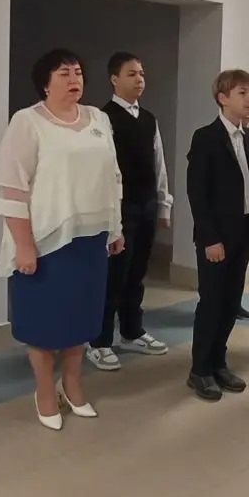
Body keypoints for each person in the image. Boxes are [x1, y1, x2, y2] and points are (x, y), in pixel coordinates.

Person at [0, 50, 125, 431]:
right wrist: (23, 245)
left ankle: (72, 384)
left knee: (81, 319)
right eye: (64, 73)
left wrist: (116, 228)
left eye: (78, 72)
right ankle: (44, 391)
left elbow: (113, 177)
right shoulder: (27, 122)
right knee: (43, 322)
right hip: (46, 242)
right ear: (45, 83)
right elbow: (12, 189)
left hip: (90, 239)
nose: (74, 79)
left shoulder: (99, 119)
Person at [185, 70, 249, 401]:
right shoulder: (205, 137)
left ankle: (218, 362)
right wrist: (210, 239)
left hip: (243, 233)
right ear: (222, 98)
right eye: (242, 93)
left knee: (231, 302)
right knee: (212, 302)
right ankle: (200, 369)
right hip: (216, 237)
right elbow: (197, 193)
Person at [89, 52, 173, 372]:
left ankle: (131, 331)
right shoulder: (102, 118)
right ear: (114, 79)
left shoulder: (149, 119)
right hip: (119, 208)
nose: (140, 79)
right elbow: (100, 169)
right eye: (132, 74)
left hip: (146, 204)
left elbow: (159, 163)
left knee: (137, 273)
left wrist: (163, 203)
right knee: (114, 275)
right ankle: (99, 341)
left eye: (142, 74)